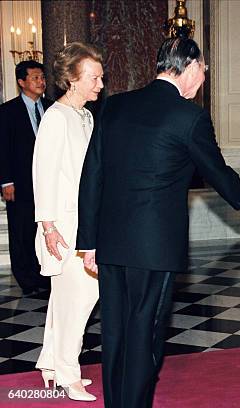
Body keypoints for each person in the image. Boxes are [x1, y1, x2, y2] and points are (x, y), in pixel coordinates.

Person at [76, 37, 240, 408]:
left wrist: (88, 242)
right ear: (189, 67)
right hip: (154, 248)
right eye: (203, 71)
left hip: (110, 243)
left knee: (116, 332)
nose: (203, 79)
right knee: (146, 333)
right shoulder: (188, 117)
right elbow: (216, 171)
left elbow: (91, 175)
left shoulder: (114, 106)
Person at [33, 42, 104, 401]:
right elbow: (42, 174)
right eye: (94, 77)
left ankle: (51, 365)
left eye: (101, 77)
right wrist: (47, 227)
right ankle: (67, 375)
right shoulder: (55, 117)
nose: (101, 84)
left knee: (64, 302)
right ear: (73, 80)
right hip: (61, 228)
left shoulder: (86, 116)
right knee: (80, 298)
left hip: (83, 223)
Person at [0, 60, 53, 295]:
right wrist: (5, 181)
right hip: (20, 183)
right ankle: (26, 278)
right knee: (21, 230)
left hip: (48, 182)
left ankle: (44, 274)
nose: (41, 82)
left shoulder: (52, 108)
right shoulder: (7, 111)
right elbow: (2, 148)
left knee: (44, 229)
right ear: (22, 82)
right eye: (35, 78)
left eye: (42, 77)